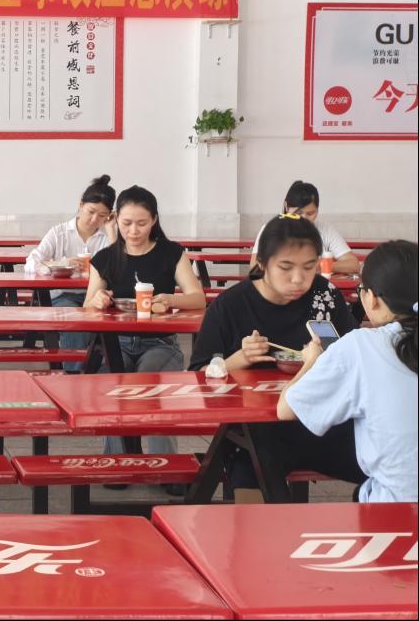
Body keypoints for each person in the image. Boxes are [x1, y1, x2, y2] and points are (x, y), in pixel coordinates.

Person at [190, 215, 365, 502]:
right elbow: (197, 375)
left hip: (323, 423)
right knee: (249, 468)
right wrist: (239, 359)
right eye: (286, 267)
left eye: (309, 267)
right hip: (257, 429)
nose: (299, 279)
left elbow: (354, 356)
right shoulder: (231, 305)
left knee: (388, 459)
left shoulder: (325, 295)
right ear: (262, 262)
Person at [277, 240, 418, 503]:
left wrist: (311, 360)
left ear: (372, 298)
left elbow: (286, 409)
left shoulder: (362, 346)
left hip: (395, 510)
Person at [84, 185, 205, 489]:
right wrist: (97, 300)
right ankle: (118, 463)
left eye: (141, 223)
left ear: (154, 220)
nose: (133, 231)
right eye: (126, 223)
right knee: (114, 381)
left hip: (160, 342)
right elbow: (87, 305)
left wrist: (171, 300)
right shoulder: (105, 258)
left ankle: (167, 468)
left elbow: (198, 298)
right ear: (116, 220)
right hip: (116, 342)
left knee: (153, 385)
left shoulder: (171, 253)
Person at [25, 174, 117, 372]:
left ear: (110, 216)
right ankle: (74, 375)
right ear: (81, 205)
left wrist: (112, 232)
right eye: (91, 212)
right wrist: (61, 264)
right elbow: (31, 263)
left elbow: (120, 266)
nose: (94, 220)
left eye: (102, 216)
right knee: (76, 321)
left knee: (113, 322)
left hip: (97, 296)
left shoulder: (107, 237)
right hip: (62, 296)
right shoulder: (59, 233)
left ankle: (98, 373)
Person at [250, 180, 360, 275]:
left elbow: (353, 264)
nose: (304, 218)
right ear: (286, 207)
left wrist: (322, 266)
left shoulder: (325, 230)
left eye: (310, 213)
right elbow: (255, 266)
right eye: (298, 213)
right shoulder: (270, 229)